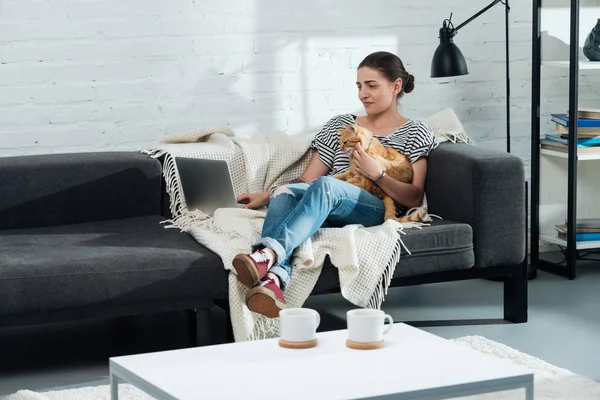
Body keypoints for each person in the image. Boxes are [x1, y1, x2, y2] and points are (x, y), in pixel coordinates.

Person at [232, 51, 439, 318]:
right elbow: (307, 180)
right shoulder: (340, 126)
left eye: (372, 85)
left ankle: (267, 253)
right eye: (359, 86)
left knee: (326, 186)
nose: (363, 94)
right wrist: (267, 195)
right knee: (286, 192)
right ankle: (274, 280)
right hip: (325, 199)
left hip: (371, 206)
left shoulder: (416, 133)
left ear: (396, 86)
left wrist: (378, 175)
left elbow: (413, 197)